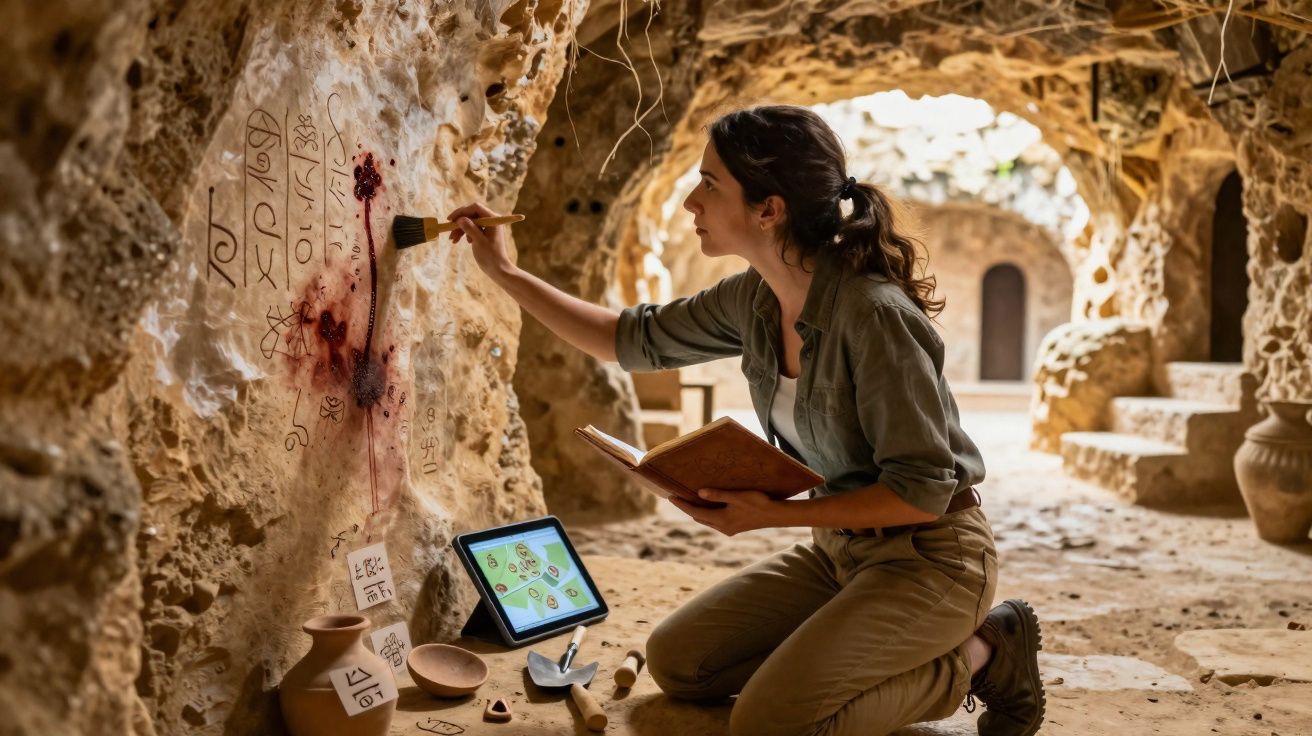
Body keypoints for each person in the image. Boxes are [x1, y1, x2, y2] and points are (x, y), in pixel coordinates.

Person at [446, 104, 1045, 736]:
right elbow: (624, 340)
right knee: (680, 663)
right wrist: (504, 272)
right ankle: (833, 660)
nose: (691, 201)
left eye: (709, 183)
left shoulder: (874, 315)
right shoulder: (752, 297)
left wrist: (771, 514)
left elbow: (921, 494)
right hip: (839, 555)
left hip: (932, 560)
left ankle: (983, 652)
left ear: (769, 210)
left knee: (768, 725)